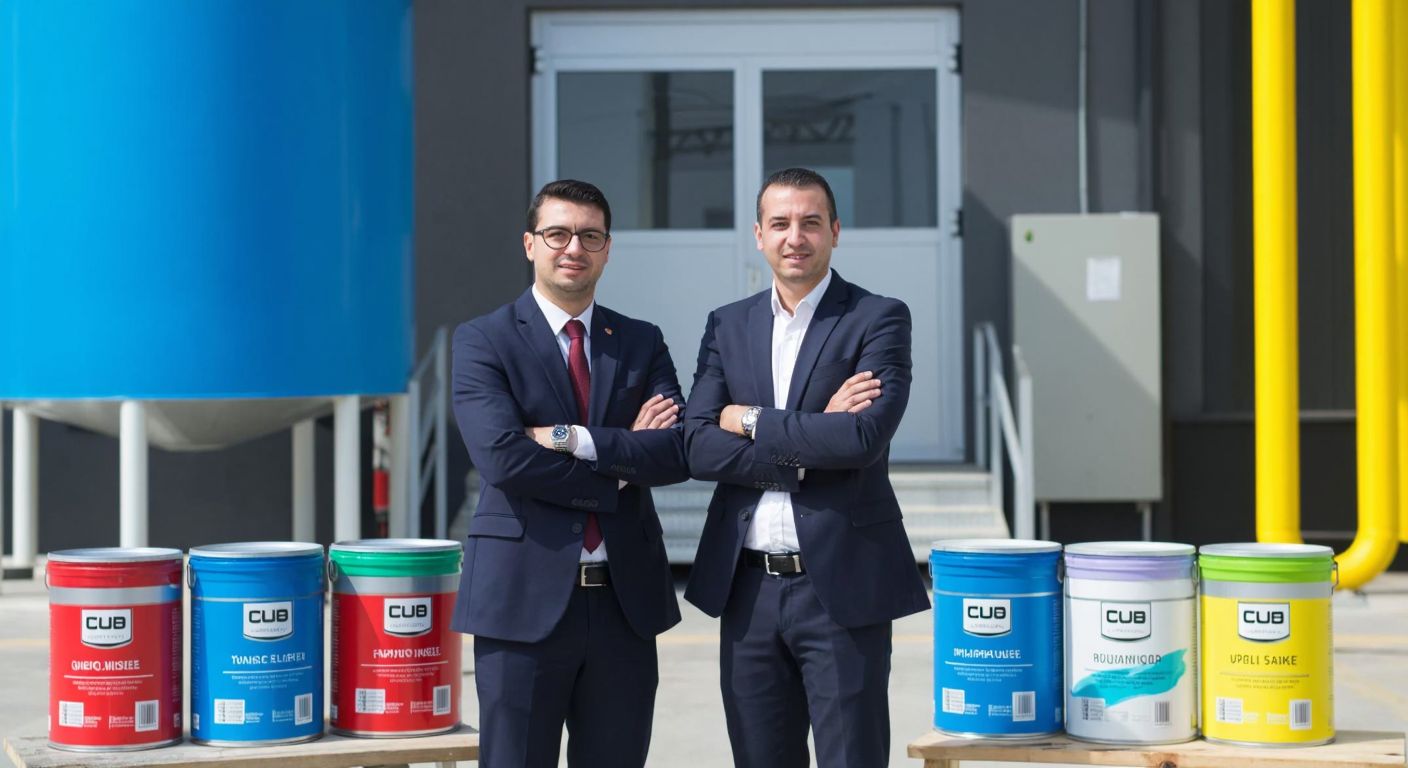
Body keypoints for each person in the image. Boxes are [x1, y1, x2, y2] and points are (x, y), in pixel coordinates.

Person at [683, 167, 931, 767]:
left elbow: (861, 439)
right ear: (759, 235)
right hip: (747, 589)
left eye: (811, 222)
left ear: (836, 232)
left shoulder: (878, 317)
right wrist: (812, 434)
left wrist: (747, 419)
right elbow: (695, 444)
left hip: (842, 588)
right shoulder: (728, 323)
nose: (796, 236)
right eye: (781, 223)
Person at [450, 179, 687, 768]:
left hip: (623, 605)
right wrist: (620, 464)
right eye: (557, 233)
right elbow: (503, 458)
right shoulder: (484, 340)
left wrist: (568, 438)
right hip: (521, 603)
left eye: (589, 235)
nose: (573, 247)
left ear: (608, 248)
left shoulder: (639, 341)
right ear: (530, 244)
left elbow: (676, 451)